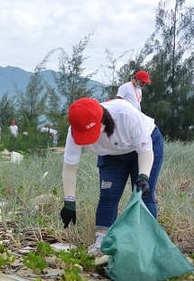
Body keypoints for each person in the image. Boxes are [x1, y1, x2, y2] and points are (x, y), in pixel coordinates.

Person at [60, 98, 164, 256]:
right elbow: (70, 169)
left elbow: (145, 152)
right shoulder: (74, 131)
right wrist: (69, 202)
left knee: (143, 194)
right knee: (108, 195)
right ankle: (102, 243)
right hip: (110, 155)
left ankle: (148, 245)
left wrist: (143, 176)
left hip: (144, 148)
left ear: (102, 121)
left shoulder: (125, 114)